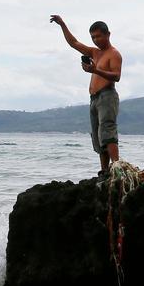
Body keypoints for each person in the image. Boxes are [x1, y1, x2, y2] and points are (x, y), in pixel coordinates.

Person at [49, 15, 122, 174]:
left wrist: (95, 70)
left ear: (108, 34)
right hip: (94, 99)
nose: (95, 40)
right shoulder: (95, 53)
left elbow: (116, 76)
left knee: (107, 131)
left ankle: (117, 166)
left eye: (98, 36)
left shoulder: (114, 54)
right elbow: (74, 43)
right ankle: (104, 170)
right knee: (97, 135)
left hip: (107, 96)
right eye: (93, 37)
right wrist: (62, 24)